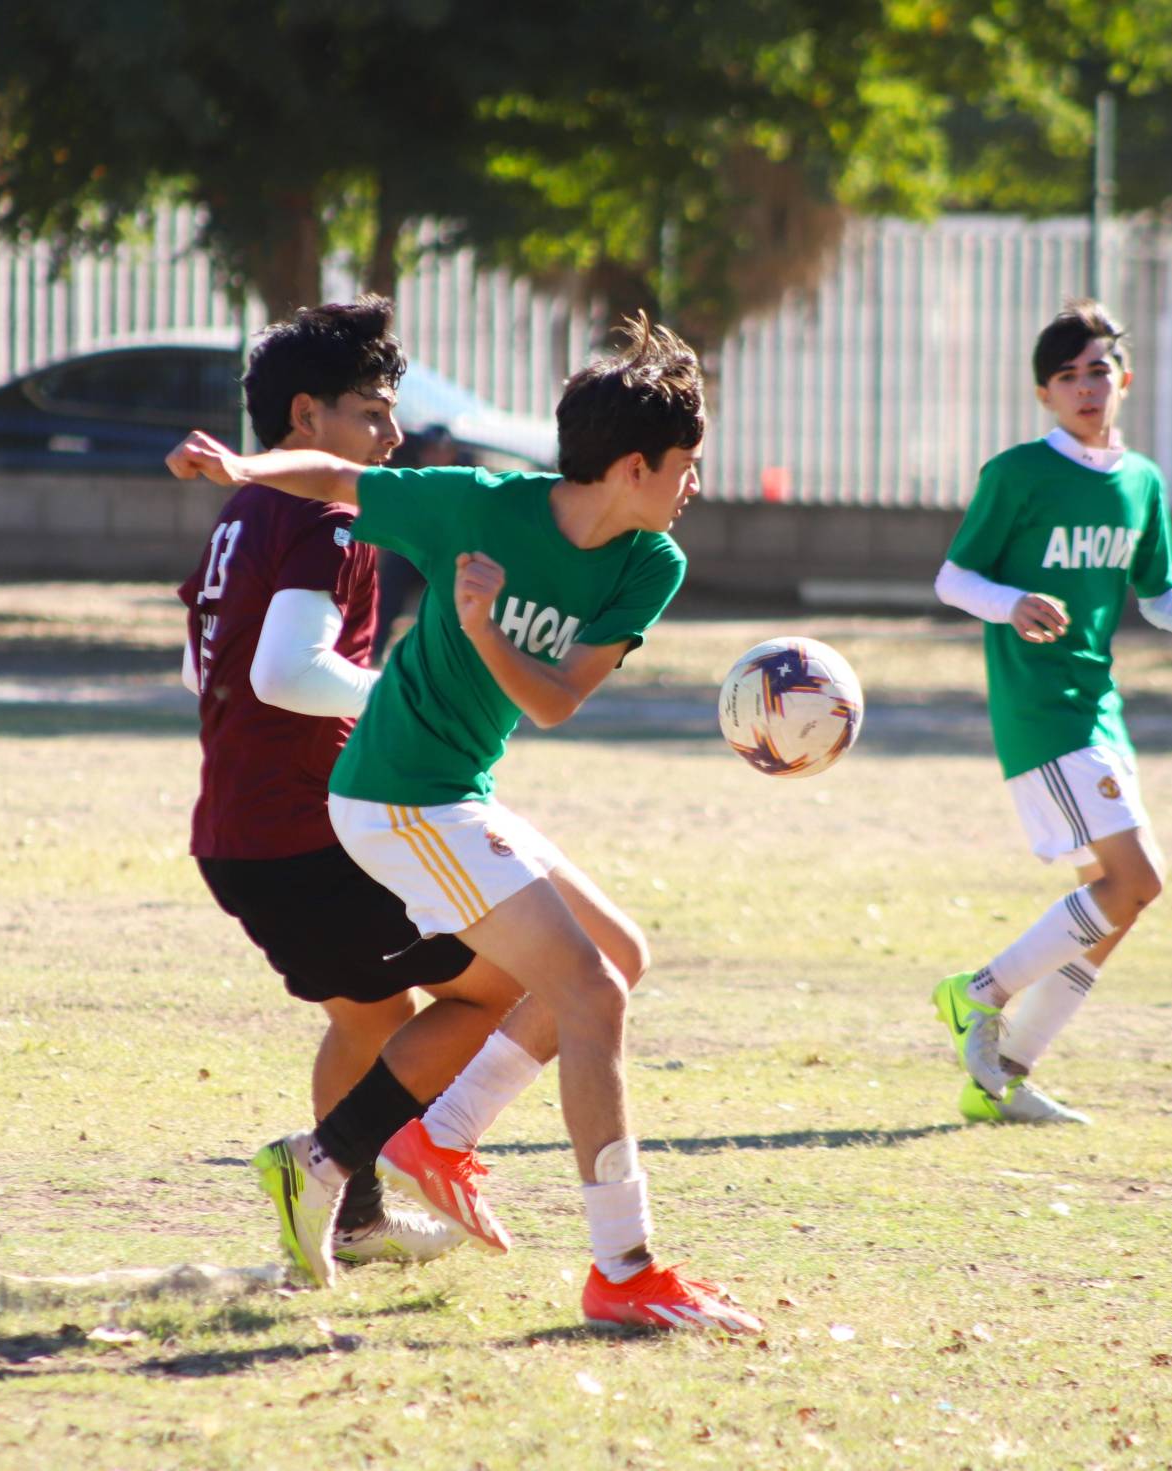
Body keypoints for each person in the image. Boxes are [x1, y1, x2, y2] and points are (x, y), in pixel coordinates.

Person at [169, 315, 762, 1334]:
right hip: (391, 792)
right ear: (629, 465)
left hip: (455, 790)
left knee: (617, 953)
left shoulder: (645, 564)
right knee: (588, 991)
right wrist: (240, 466)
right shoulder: (478, 506)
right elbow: (333, 481)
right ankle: (622, 1265)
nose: (693, 483)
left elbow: (553, 701)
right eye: (684, 464)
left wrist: (482, 628)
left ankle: (365, 1150)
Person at [176, 298, 526, 1269]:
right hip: (303, 835)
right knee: (509, 982)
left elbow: (199, 665)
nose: (392, 433)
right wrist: (408, 698)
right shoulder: (326, 509)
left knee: (367, 1015)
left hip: (242, 831)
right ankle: (364, 1154)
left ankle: (354, 1211)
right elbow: (284, 672)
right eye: (370, 412)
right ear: (304, 418)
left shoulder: (243, 508)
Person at [930, 298, 1172, 1125]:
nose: (1085, 385)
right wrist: (1011, 603)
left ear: (1124, 378)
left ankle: (1002, 1075)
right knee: (1137, 879)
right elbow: (953, 578)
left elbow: (1158, 591)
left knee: (1112, 903)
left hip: (1101, 705)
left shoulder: (1142, 481)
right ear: (1044, 394)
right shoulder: (1018, 474)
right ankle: (979, 992)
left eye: (1098, 368)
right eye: (1066, 375)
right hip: (1042, 707)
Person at [369, 426, 459, 666]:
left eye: (442, 451)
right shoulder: (412, 480)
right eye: (431, 451)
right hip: (411, 557)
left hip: (446, 559)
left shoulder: (461, 484)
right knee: (389, 585)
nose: (436, 457)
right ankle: (374, 653)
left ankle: (448, 660)